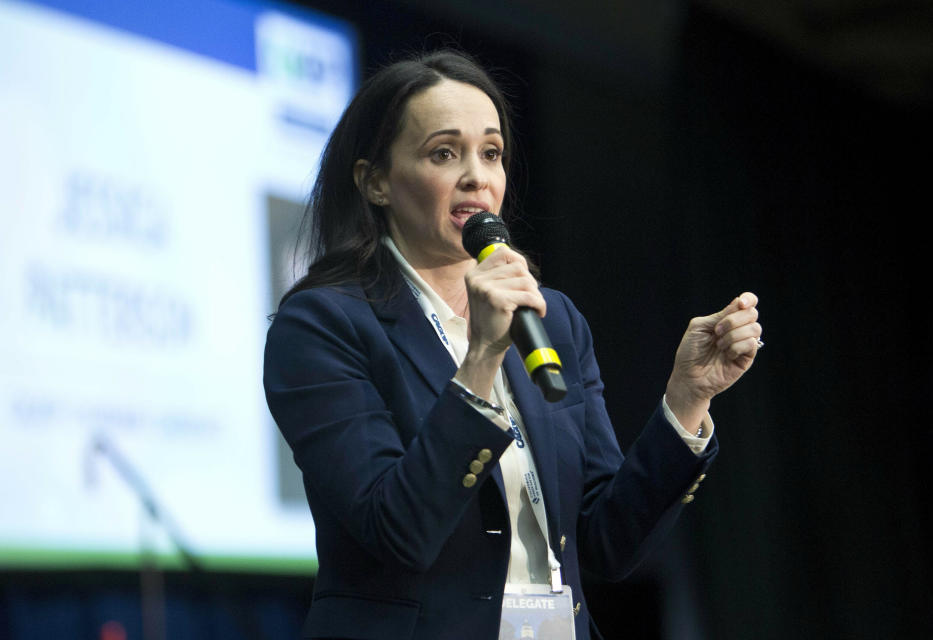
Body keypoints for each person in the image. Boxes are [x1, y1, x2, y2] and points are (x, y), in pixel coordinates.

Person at [263, 50, 762, 640]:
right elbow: (395, 531)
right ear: (375, 181)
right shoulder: (323, 325)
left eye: (491, 153)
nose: (477, 175)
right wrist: (480, 361)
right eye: (444, 153)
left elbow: (604, 545)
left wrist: (687, 400)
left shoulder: (555, 321)